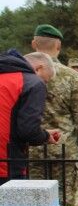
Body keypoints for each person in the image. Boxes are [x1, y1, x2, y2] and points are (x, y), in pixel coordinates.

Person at [27, 24, 78, 203]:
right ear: (58, 46)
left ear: (34, 44)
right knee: (64, 204)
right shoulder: (72, 77)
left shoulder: (23, 75)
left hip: (30, 149)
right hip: (65, 149)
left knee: (35, 204)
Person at [0, 50, 60, 185]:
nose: (44, 83)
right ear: (39, 68)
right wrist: (45, 136)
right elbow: (28, 130)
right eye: (46, 80)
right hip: (7, 163)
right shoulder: (32, 82)